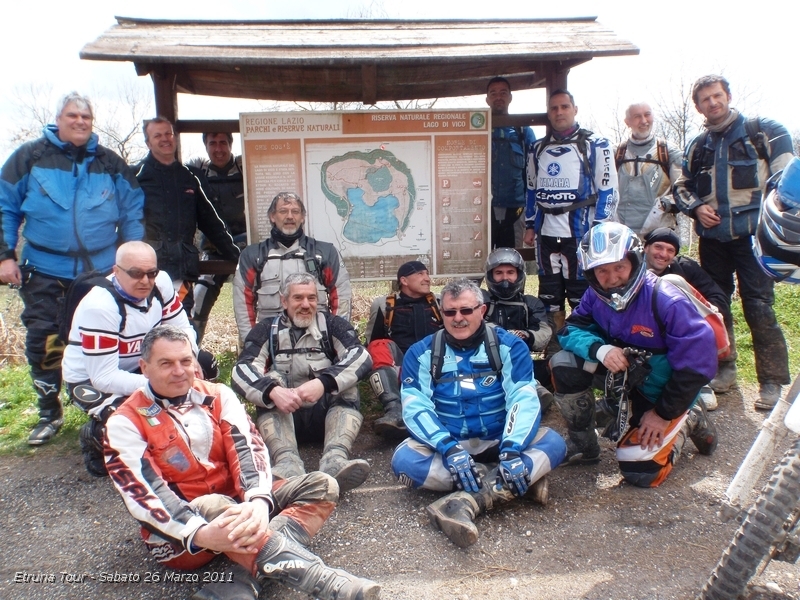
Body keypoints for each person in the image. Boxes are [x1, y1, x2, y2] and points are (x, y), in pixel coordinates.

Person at [104, 325, 380, 600]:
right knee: (216, 505)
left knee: (322, 485)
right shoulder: (123, 422)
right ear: (144, 367)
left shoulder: (217, 394)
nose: (179, 371)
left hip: (240, 507)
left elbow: (249, 451)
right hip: (184, 537)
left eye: (186, 361)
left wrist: (259, 504)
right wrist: (199, 533)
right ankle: (328, 583)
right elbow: (145, 495)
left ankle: (242, 578)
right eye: (166, 363)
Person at [0, 91, 144, 445]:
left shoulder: (110, 163)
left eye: (86, 117)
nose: (80, 121)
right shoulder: (29, 158)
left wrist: (134, 260)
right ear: (59, 119)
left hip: (101, 269)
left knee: (108, 338)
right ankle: (49, 411)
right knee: (45, 338)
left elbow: (132, 212)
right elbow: (5, 206)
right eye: (73, 116)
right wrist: (5, 255)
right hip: (45, 268)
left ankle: (108, 404)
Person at [391, 278, 566, 548]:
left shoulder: (511, 346)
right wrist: (449, 449)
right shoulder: (421, 352)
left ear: (481, 311)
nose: (458, 318)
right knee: (403, 461)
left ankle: (466, 500)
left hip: (500, 442)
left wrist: (511, 449)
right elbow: (416, 407)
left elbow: (524, 397)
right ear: (442, 313)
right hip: (450, 449)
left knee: (554, 442)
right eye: (450, 312)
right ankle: (512, 481)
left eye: (466, 311)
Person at [551, 223, 718, 486]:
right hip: (624, 376)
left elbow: (697, 366)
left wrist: (663, 413)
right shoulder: (594, 296)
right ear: (591, 273)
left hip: (663, 391)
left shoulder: (667, 300)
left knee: (641, 472)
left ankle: (689, 417)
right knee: (563, 363)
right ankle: (584, 444)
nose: (612, 277)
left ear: (635, 261)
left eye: (619, 266)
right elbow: (569, 330)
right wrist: (600, 349)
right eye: (602, 270)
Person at [674, 75, 793, 411]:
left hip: (755, 239)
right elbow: (681, 187)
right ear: (698, 107)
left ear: (728, 95)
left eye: (717, 96)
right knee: (714, 307)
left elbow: (787, 182)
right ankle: (724, 370)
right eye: (705, 100)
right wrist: (696, 207)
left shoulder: (765, 131)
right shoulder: (697, 146)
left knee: (758, 306)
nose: (713, 103)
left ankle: (771, 381)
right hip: (713, 240)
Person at [61, 241, 198, 477]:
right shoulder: (101, 306)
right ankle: (96, 436)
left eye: (151, 273)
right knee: (133, 424)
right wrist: (161, 385)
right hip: (90, 379)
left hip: (137, 366)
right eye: (135, 274)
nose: (145, 281)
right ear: (116, 271)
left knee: (203, 366)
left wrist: (191, 362)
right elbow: (104, 377)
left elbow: (183, 330)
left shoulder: (161, 283)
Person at [232, 272, 372, 492]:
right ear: (284, 300)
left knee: (346, 385)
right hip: (285, 420)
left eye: (312, 298)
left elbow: (361, 357)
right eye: (298, 298)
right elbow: (241, 371)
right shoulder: (266, 330)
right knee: (271, 380)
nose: (306, 304)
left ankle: (335, 460)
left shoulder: (333, 325)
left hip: (326, 417)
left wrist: (323, 383)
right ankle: (287, 464)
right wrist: (272, 391)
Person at [523, 89, 619, 355]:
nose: (559, 112)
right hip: (546, 233)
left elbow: (608, 189)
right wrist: (530, 224)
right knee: (549, 293)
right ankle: (555, 344)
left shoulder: (596, 144)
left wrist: (599, 227)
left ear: (574, 109)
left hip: (581, 232)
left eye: (564, 106)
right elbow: (531, 189)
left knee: (581, 292)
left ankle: (583, 342)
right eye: (553, 108)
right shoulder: (537, 148)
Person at [135, 117, 240, 317]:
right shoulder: (136, 175)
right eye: (158, 135)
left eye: (169, 134)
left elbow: (212, 221)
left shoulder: (191, 176)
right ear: (148, 142)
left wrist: (237, 256)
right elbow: (124, 223)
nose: (165, 139)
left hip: (181, 270)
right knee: (145, 327)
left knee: (181, 329)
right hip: (145, 270)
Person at [233, 191, 352, 344]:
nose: (290, 216)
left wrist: (337, 338)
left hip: (318, 340)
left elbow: (342, 296)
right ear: (272, 217)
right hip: (270, 340)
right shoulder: (252, 255)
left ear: (302, 217)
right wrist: (252, 342)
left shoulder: (326, 253)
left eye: (295, 211)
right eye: (283, 211)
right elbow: (242, 303)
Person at [643, 227, 732, 409]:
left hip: (680, 328)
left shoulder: (686, 268)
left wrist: (696, 311)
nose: (663, 254)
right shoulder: (631, 268)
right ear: (646, 248)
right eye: (658, 247)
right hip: (641, 328)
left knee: (673, 284)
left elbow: (718, 298)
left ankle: (700, 380)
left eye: (670, 250)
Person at [364, 260, 443, 438]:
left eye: (427, 274)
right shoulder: (383, 304)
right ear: (404, 281)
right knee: (377, 346)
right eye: (420, 274)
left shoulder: (440, 302)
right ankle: (394, 411)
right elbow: (372, 340)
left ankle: (440, 407)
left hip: (436, 365)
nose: (427, 279)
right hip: (400, 367)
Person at [187, 132, 247, 343]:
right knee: (199, 300)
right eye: (213, 143)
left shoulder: (243, 166)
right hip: (213, 249)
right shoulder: (198, 170)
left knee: (255, 300)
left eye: (223, 143)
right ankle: (191, 353)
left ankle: (250, 353)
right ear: (205, 145)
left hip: (246, 248)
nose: (218, 149)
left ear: (231, 145)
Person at [481, 247, 554, 410]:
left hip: (523, 360)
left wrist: (527, 335)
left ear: (519, 275)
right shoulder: (481, 299)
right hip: (485, 359)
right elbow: (473, 323)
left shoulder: (530, 303)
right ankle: (531, 389)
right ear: (490, 276)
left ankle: (530, 391)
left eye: (510, 272)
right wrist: (503, 335)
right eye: (498, 273)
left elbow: (545, 331)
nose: (505, 278)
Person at [615, 102, 682, 235]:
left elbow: (683, 189)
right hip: (621, 233)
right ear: (627, 122)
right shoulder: (615, 153)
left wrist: (664, 205)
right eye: (637, 116)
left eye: (647, 115)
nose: (644, 121)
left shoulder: (669, 151)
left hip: (658, 233)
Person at [486, 76, 536, 249]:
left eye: (503, 93)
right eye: (493, 93)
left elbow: (534, 173)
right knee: (478, 263)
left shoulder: (522, 130)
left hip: (515, 210)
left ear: (510, 97)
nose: (498, 97)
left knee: (513, 263)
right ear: (487, 99)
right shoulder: (478, 128)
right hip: (483, 209)